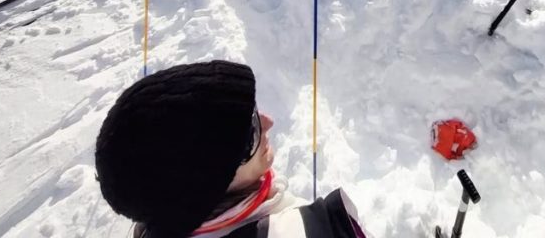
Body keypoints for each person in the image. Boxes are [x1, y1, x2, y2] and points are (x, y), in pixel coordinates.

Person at [95, 60, 368, 237]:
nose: (268, 122)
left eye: (253, 112)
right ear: (206, 186)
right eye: (248, 136)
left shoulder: (162, 216)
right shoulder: (323, 230)